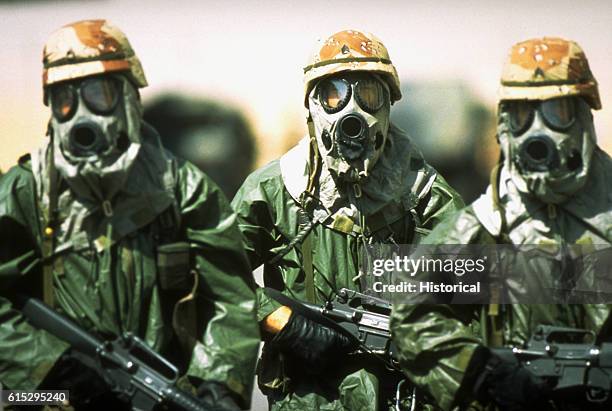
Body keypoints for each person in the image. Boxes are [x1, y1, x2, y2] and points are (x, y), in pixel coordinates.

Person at [0, 19, 259, 410]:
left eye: (97, 94)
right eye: (64, 100)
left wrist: (220, 386)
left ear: (127, 98)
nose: (80, 115)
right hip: (52, 397)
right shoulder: (26, 191)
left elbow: (228, 302)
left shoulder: (182, 189)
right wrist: (50, 364)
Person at [231, 29, 464, 410]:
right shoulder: (273, 190)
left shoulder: (423, 194)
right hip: (303, 398)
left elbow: (479, 292)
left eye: (369, 94)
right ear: (312, 106)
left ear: (387, 106)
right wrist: (282, 321)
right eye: (334, 94)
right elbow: (211, 271)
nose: (352, 113)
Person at [390, 37, 612, 410]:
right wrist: (479, 372)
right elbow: (413, 310)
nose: (538, 130)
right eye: (524, 114)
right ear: (506, 122)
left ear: (583, 115)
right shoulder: (484, 225)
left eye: (556, 111)